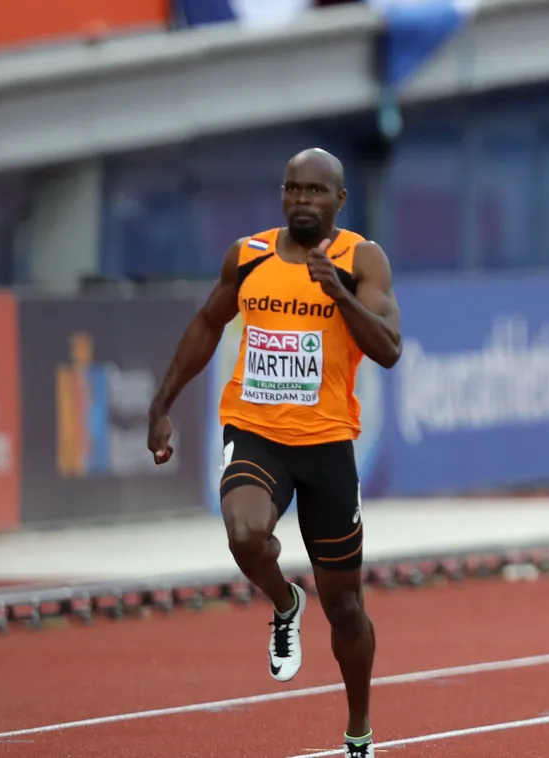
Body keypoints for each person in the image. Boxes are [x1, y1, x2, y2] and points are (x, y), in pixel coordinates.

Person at [146, 148, 402, 758]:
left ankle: (359, 729)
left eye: (316, 191)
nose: (302, 201)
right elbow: (208, 324)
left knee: (345, 606)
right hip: (256, 430)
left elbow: (389, 347)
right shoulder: (249, 255)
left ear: (340, 201)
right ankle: (285, 601)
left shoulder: (360, 258)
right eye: (292, 189)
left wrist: (340, 294)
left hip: (328, 445)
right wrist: (162, 404)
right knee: (244, 533)